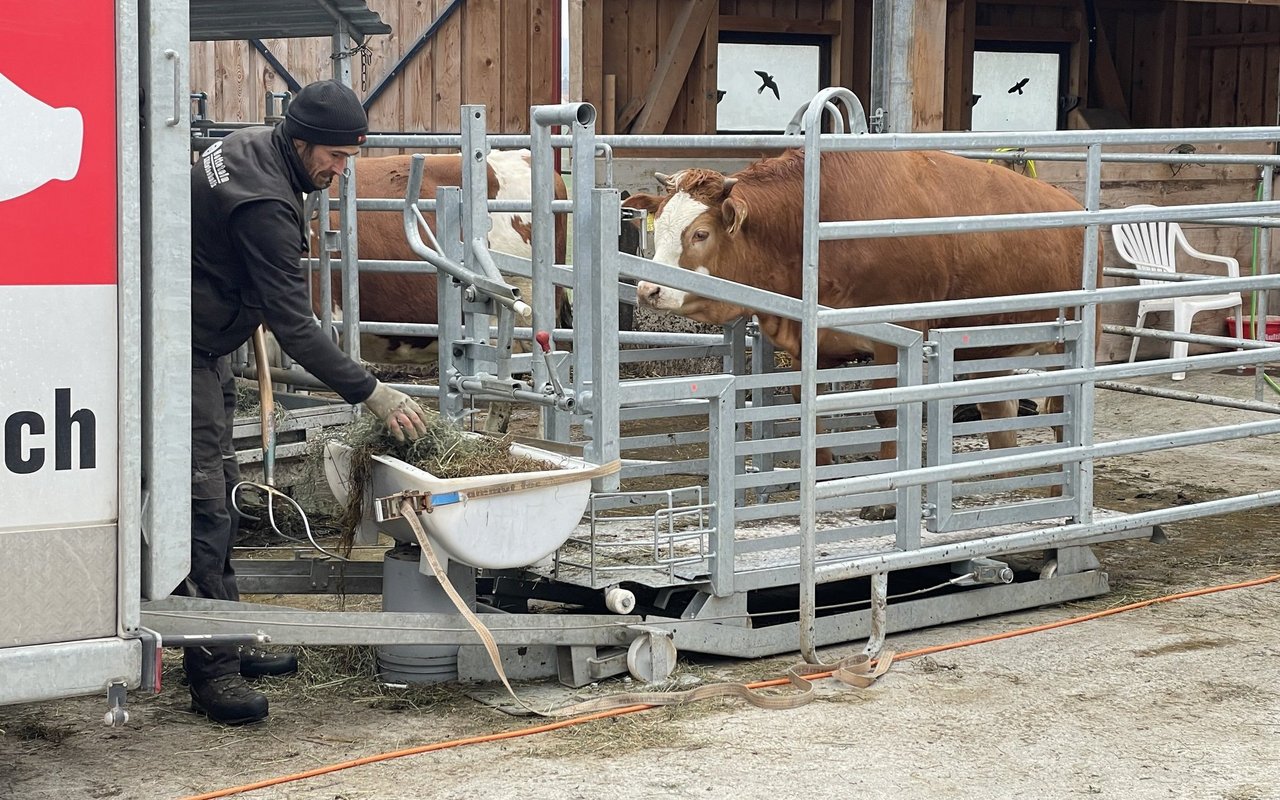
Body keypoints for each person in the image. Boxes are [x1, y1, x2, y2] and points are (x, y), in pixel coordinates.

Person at [185, 79, 430, 725]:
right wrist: (373, 393)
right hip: (179, 350)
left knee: (219, 490)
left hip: (198, 339)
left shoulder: (250, 147)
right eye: (335, 157)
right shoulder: (266, 202)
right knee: (206, 505)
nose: (341, 170)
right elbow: (295, 326)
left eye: (350, 157)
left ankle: (227, 637)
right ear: (300, 142)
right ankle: (212, 668)